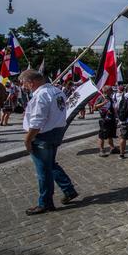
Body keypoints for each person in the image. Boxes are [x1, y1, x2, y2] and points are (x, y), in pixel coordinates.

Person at [19, 70, 78, 215]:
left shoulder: (41, 95)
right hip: (56, 132)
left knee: (43, 171)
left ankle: (45, 203)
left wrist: (27, 139)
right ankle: (68, 190)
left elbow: (38, 122)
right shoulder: (56, 90)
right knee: (50, 164)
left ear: (31, 82)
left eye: (24, 83)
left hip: (42, 136)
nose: (23, 87)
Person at [93, 86, 119, 157]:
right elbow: (94, 107)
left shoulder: (110, 97)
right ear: (106, 91)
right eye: (111, 90)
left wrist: (116, 117)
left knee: (110, 135)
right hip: (104, 120)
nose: (112, 92)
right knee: (102, 136)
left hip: (111, 119)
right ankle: (101, 150)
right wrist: (103, 103)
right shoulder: (101, 97)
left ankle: (112, 148)